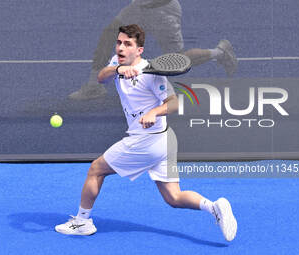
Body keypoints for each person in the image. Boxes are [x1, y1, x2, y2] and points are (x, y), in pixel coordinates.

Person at [56, 24, 237, 242]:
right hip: (164, 141)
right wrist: (117, 70)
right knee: (174, 197)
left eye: (128, 44)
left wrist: (154, 112)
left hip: (147, 141)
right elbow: (101, 78)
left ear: (139, 50)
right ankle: (214, 207)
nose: (121, 48)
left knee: (96, 169)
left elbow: (174, 103)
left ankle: (82, 221)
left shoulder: (153, 75)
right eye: (119, 42)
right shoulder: (117, 62)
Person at [69, 0, 237, 100]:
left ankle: (220, 52)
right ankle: (94, 86)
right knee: (108, 35)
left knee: (177, 60)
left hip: (162, 12)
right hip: (138, 8)